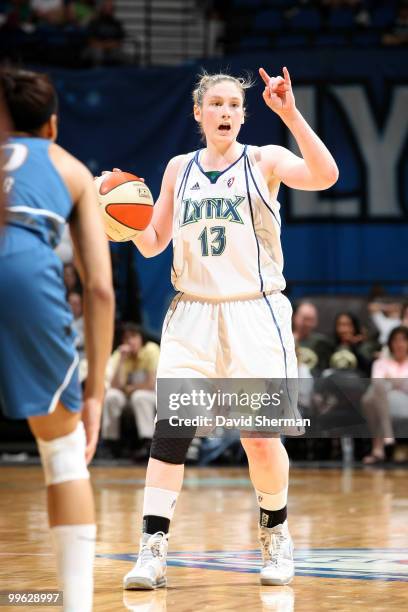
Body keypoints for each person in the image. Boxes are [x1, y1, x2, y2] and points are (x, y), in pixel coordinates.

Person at [121, 66, 338, 590]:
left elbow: (326, 174)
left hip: (254, 312)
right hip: (192, 311)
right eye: (215, 104)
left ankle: (276, 533)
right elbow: (153, 242)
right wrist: (122, 224)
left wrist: (289, 113)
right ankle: (152, 547)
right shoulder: (178, 168)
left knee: (259, 439)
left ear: (244, 114)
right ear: (198, 112)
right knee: (172, 430)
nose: (225, 112)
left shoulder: (264, 159)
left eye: (234, 105)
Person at [0, 68, 114, 612]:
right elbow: (99, 289)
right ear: (51, 123)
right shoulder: (68, 166)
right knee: (64, 453)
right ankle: (74, 605)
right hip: (22, 267)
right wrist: (94, 394)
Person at [102, 323, 160, 457]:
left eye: (133, 336)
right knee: (111, 396)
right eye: (126, 338)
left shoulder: (151, 350)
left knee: (139, 396)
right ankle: (110, 443)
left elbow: (150, 384)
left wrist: (129, 388)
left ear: (141, 338)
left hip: (153, 396)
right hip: (129, 397)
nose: (130, 341)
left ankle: (148, 442)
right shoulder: (119, 354)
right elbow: (115, 385)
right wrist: (122, 360)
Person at [361, 326, 408, 464]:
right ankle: (385, 440)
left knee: (368, 400)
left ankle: (378, 448)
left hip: (404, 404)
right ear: (390, 344)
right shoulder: (380, 363)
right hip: (383, 402)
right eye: (395, 340)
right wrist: (397, 383)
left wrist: (391, 380)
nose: (399, 344)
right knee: (376, 394)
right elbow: (377, 384)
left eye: (403, 340)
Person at [292, 301, 334, 372]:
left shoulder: (322, 343)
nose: (308, 324)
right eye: (305, 319)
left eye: (311, 320)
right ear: (294, 317)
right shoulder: (282, 341)